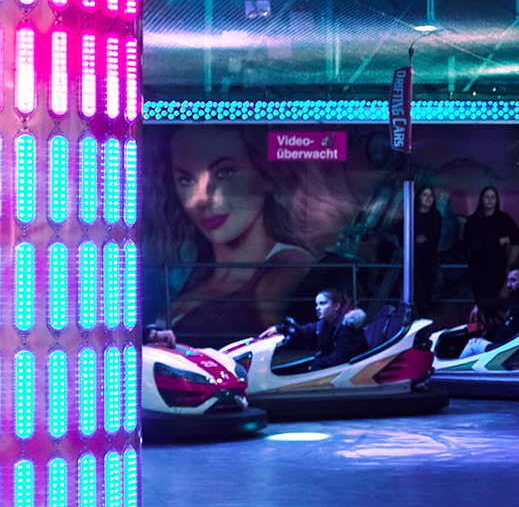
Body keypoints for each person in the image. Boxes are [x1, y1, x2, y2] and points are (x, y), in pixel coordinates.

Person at [149, 126, 325, 344]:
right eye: (186, 180)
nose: (200, 199)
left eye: (224, 173)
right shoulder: (198, 269)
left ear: (267, 175)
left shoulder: (285, 271)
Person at [279, 289, 370, 371]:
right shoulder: (323, 324)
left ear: (336, 306)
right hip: (339, 369)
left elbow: (341, 357)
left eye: (322, 303)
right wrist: (280, 329)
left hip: (356, 370)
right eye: (317, 304)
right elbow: (304, 331)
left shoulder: (347, 327)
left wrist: (315, 365)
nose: (317, 308)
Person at [463, 186, 519, 304]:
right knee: (480, 302)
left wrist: (505, 239)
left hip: (496, 268)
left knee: (492, 302)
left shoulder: (503, 219)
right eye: (487, 197)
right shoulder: (472, 220)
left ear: (497, 200)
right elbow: (465, 243)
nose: (490, 200)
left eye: (493, 197)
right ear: (482, 199)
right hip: (477, 268)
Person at [412, 185, 444, 313]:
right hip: (414, 260)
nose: (428, 198)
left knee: (427, 291)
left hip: (430, 260)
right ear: (419, 198)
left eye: (430, 195)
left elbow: (435, 237)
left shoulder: (436, 216)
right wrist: (414, 239)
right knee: (416, 291)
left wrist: (424, 240)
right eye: (425, 195)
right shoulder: (411, 215)